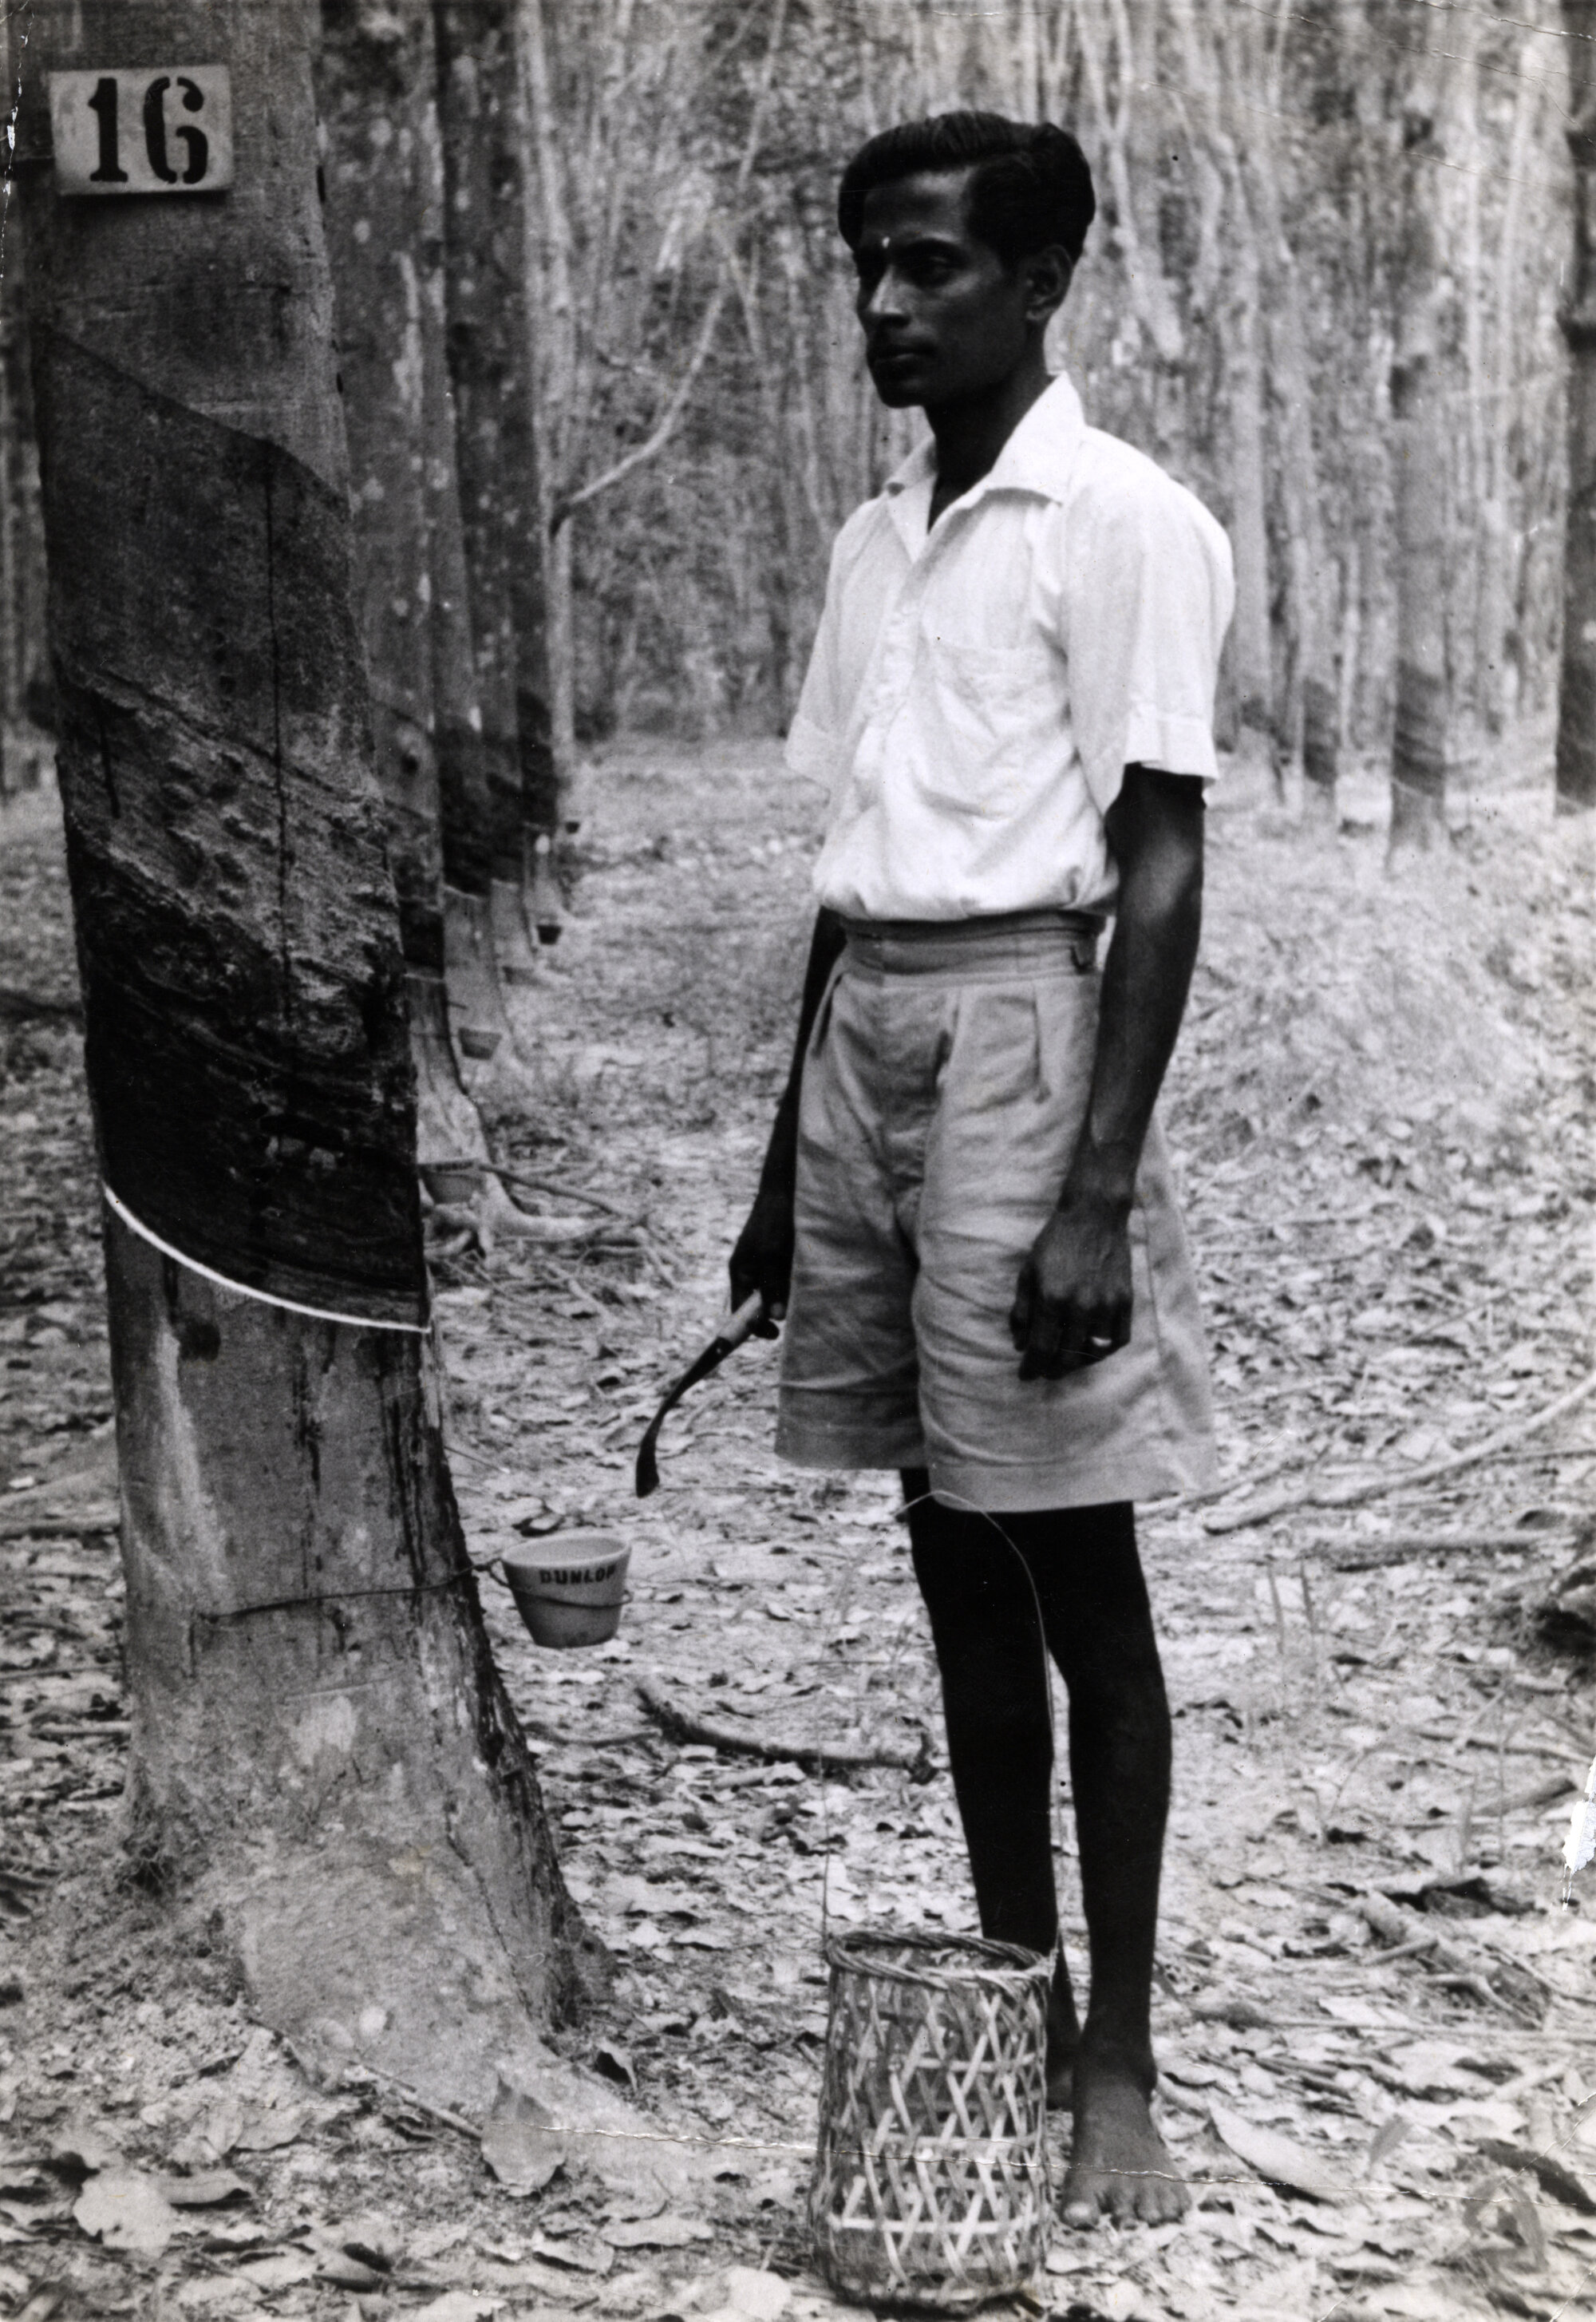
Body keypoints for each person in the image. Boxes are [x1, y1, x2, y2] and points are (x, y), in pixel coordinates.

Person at [729, 113, 1233, 2228]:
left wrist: (1097, 1190)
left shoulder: (1117, 521)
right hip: (875, 1042)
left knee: (1071, 1563)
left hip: (1036, 1029)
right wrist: (781, 1168)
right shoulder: (874, 545)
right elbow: (846, 889)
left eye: (930, 266)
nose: (885, 302)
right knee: (949, 1550)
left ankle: (1118, 2061)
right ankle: (1013, 1986)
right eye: (866, 263)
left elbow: (1165, 858)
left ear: (1039, 284)